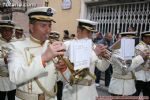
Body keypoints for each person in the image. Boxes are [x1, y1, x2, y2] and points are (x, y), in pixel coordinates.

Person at [7, 7, 66, 100]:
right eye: (43, 25)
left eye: (49, 25)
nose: (48, 30)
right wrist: (43, 58)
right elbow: (15, 77)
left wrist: (61, 70)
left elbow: (57, 79)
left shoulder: (52, 46)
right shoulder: (16, 46)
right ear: (31, 27)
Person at [62, 19, 110, 100]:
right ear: (78, 30)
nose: (91, 35)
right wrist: (95, 53)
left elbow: (101, 67)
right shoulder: (68, 45)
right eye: (88, 32)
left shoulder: (93, 47)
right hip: (74, 93)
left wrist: (106, 58)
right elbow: (77, 67)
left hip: (91, 92)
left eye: (91, 32)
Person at [108, 32, 149, 96]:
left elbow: (136, 69)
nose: (132, 43)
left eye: (133, 41)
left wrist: (144, 60)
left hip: (130, 88)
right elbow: (125, 68)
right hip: (118, 89)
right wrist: (140, 57)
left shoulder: (131, 52)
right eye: (129, 41)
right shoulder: (116, 52)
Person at [0, 20, 16, 100]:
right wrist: (4, 61)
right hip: (1, 79)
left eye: (9, 30)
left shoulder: (16, 44)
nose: (7, 33)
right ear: (1, 31)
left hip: (12, 80)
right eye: (5, 30)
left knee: (12, 97)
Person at [134, 31, 150, 98]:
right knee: (136, 95)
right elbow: (138, 61)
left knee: (147, 95)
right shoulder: (139, 47)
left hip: (148, 75)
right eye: (149, 38)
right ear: (144, 38)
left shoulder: (148, 46)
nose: (149, 39)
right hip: (139, 75)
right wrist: (145, 58)